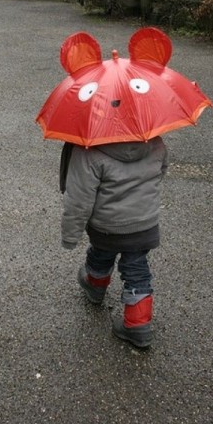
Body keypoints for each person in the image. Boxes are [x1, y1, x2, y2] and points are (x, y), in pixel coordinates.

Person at [60, 136, 168, 349]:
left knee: (101, 252)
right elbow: (161, 171)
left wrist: (70, 235)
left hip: (106, 225)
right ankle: (138, 324)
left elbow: (79, 198)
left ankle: (95, 284)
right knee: (137, 269)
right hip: (143, 223)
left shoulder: (88, 150)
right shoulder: (155, 141)